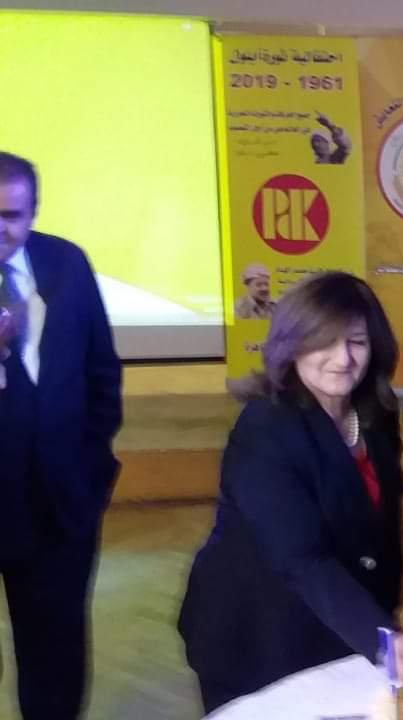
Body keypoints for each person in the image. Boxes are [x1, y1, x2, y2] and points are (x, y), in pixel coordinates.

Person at [178, 272, 403, 713]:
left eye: (357, 342)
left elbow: (383, 531)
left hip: (339, 625)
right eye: (324, 342)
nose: (342, 358)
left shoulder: (375, 415)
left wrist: (386, 616)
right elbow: (301, 559)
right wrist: (379, 635)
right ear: (291, 345)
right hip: (256, 635)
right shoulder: (265, 427)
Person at [0, 151, 123, 720]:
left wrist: (89, 469)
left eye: (11, 215)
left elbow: (101, 372)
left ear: (34, 212)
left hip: (59, 506)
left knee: (55, 657)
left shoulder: (68, 263)